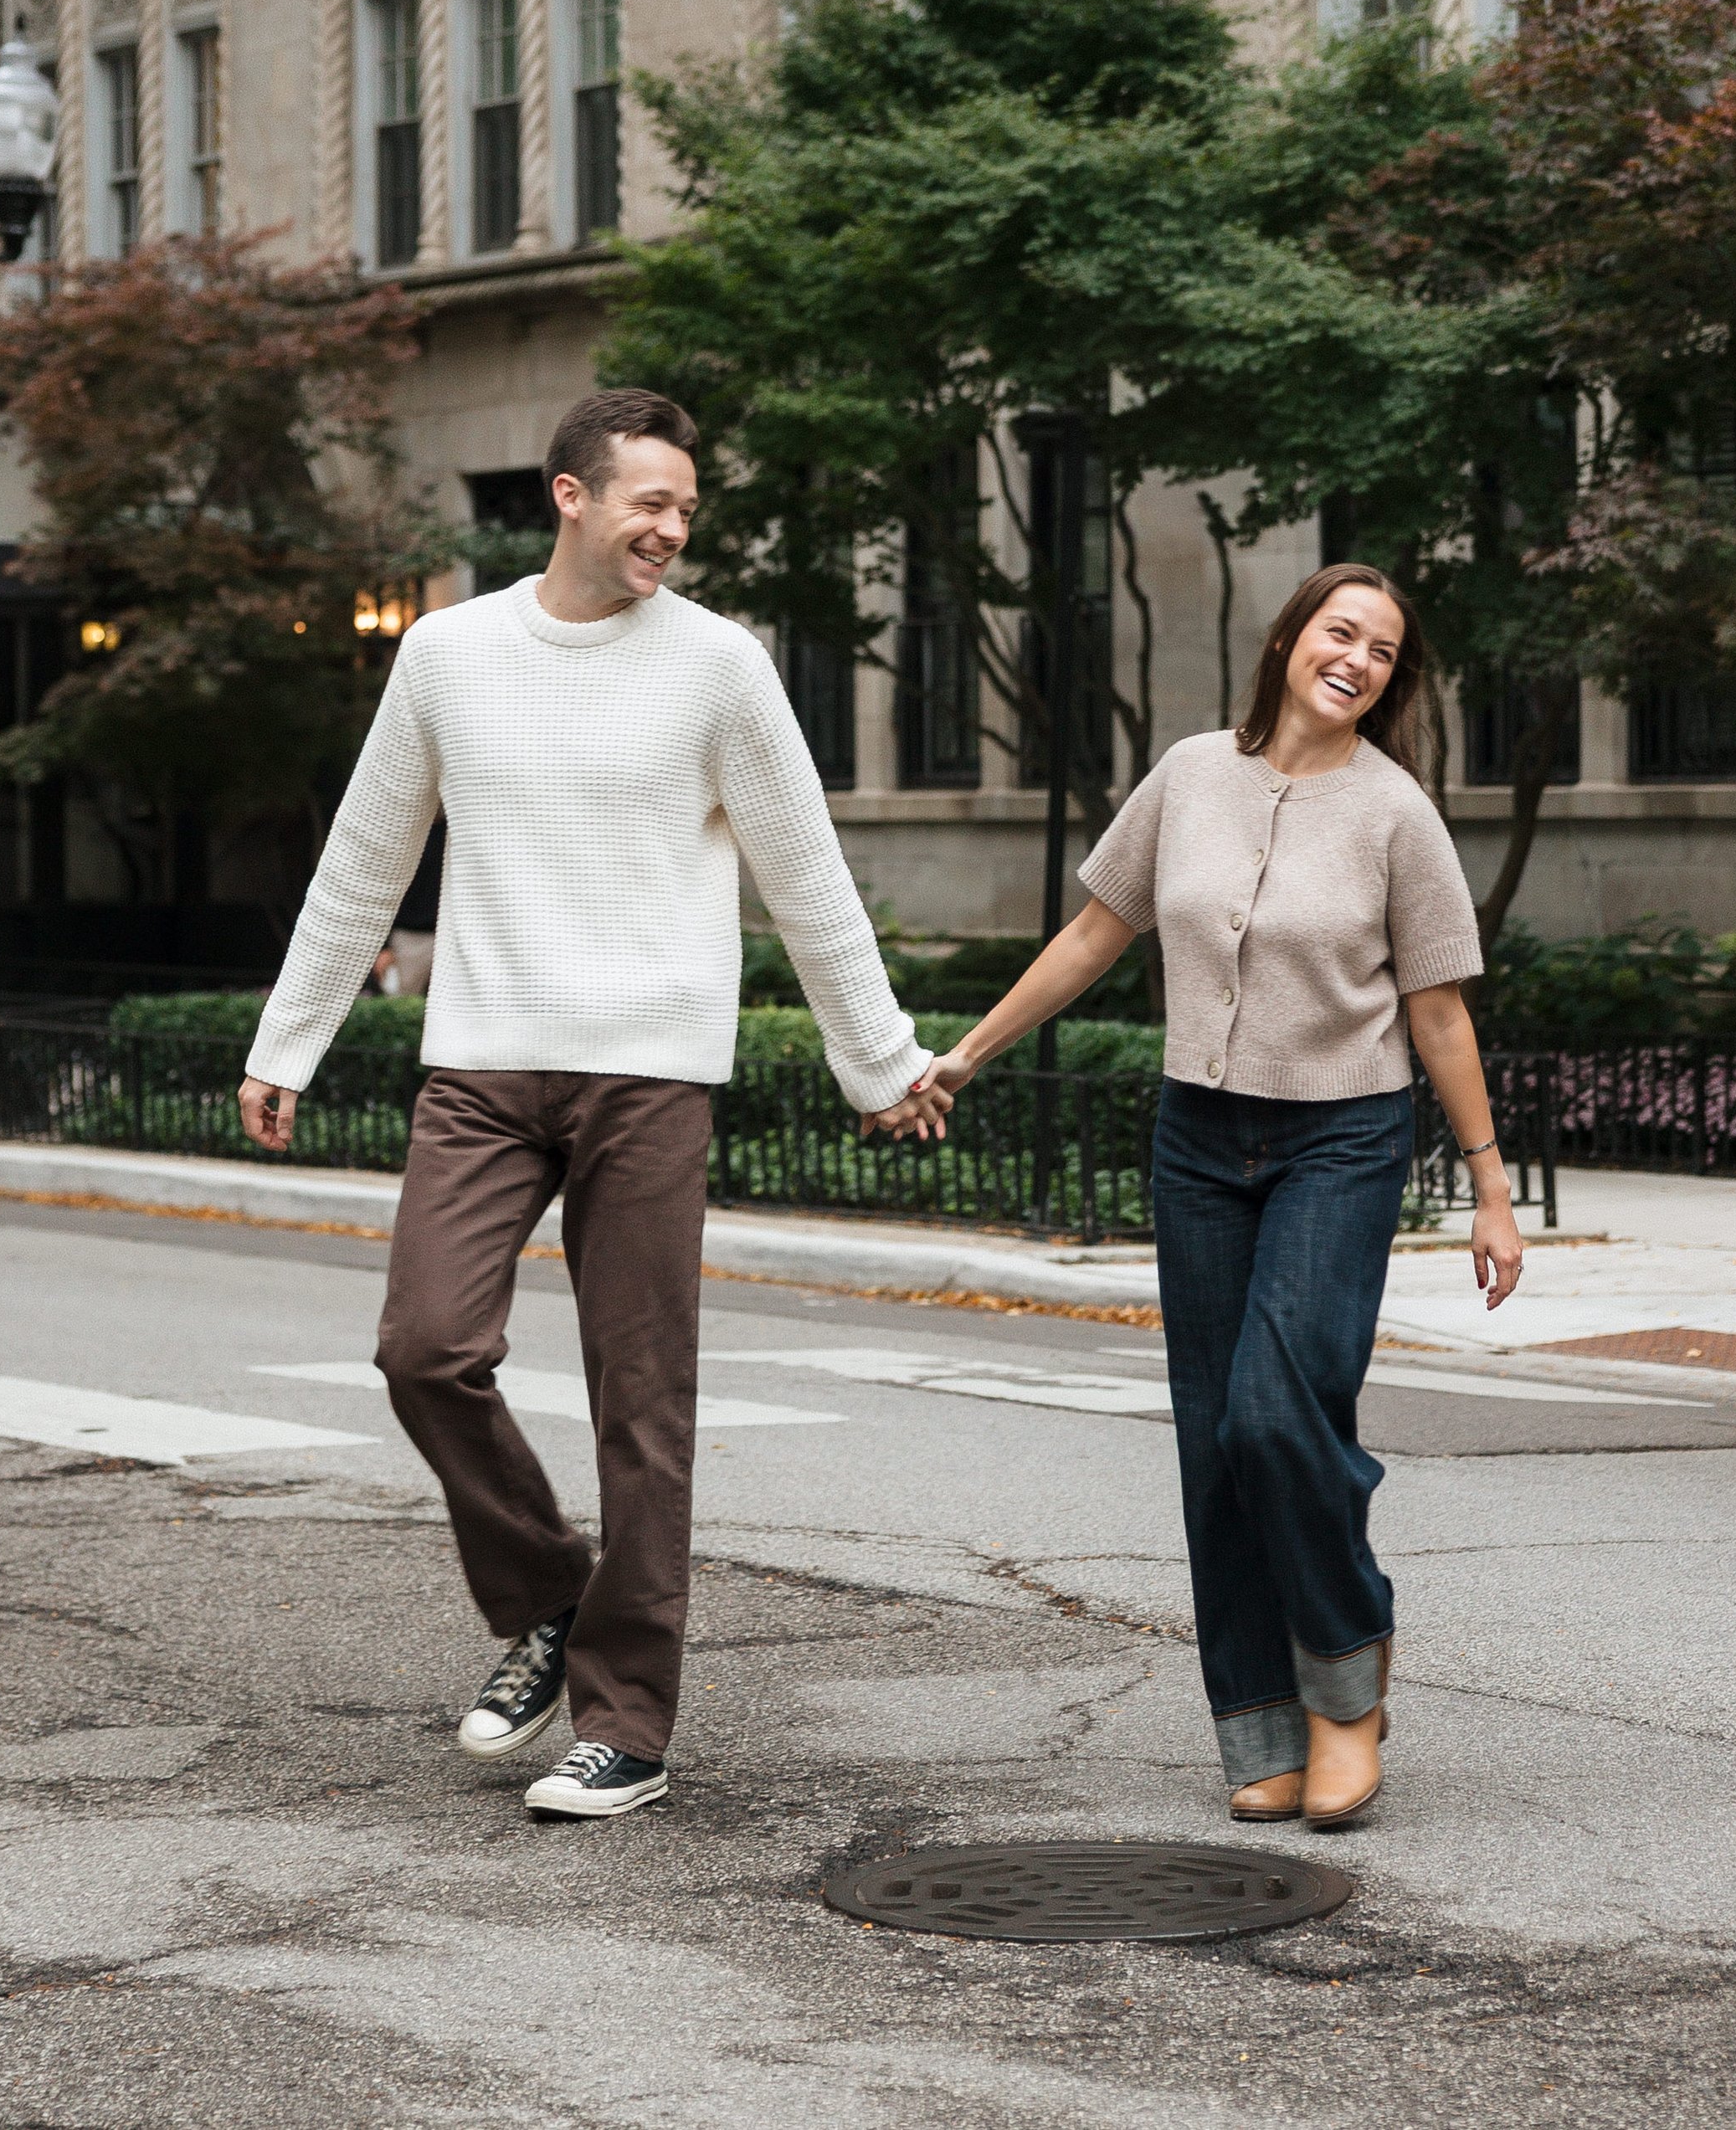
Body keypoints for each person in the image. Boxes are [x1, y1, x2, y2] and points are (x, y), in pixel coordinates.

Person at [238, 388, 948, 1820]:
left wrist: (879, 1059)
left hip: (648, 1072)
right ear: (569, 494)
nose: (674, 529)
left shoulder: (719, 667)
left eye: (689, 509)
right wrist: (287, 1041)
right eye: (652, 503)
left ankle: (627, 1723)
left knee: (645, 1403)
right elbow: (366, 857)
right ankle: (554, 1593)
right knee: (424, 1348)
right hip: (486, 1061)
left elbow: (805, 874)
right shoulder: (448, 653)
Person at [920, 562, 1523, 1831]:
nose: (1355, 656)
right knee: (1214, 1440)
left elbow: (1439, 1010)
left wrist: (1489, 1186)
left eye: (1382, 649)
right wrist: (970, 1052)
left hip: (1341, 1139)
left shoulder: (1398, 815)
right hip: (1198, 1137)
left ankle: (1349, 1684)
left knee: (1275, 1412)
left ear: (1393, 681)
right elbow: (1097, 931)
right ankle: (1258, 1722)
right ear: (1292, 638)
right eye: (1338, 630)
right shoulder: (1190, 773)